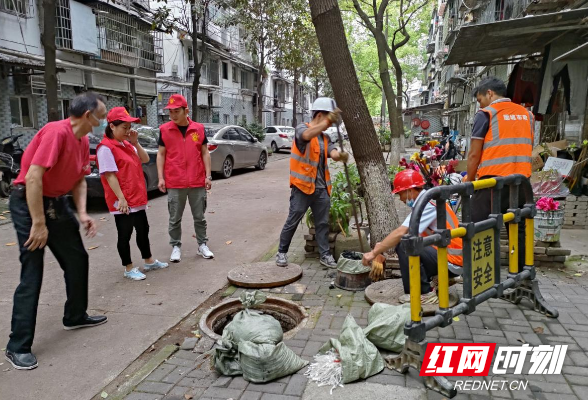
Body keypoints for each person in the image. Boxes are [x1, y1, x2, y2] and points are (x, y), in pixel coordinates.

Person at [5, 92, 108, 370]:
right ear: (88, 116)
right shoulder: (55, 132)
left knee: (77, 260)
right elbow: (33, 177)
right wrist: (38, 224)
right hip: (29, 202)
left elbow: (78, 180)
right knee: (33, 271)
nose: (102, 121)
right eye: (101, 116)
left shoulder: (83, 139)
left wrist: (83, 212)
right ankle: (17, 346)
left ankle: (75, 316)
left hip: (57, 203)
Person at [362, 169, 463, 304]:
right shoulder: (427, 201)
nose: (401, 199)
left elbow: (401, 233)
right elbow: (407, 232)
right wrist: (382, 251)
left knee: (405, 245)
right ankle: (439, 278)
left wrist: (374, 252)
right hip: (448, 256)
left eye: (400, 194)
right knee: (407, 242)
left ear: (409, 190)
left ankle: (424, 293)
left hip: (452, 260)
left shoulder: (428, 204)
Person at [466, 77, 533, 271]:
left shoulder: (486, 114)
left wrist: (469, 182)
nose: (480, 104)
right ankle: (521, 275)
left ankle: (481, 275)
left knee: (478, 227)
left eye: (479, 99)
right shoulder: (526, 115)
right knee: (518, 229)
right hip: (522, 182)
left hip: (492, 182)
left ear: (489, 93)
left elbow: (473, 154)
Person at [96, 107, 169, 280]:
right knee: (125, 233)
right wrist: (121, 198)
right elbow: (110, 175)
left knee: (143, 230)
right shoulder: (106, 148)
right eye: (124, 128)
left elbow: (144, 159)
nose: (128, 131)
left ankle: (149, 260)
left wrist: (135, 142)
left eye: (129, 128)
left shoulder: (127, 144)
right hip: (122, 200)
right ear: (112, 126)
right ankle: (128, 268)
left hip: (136, 197)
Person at [276, 97, 349, 268]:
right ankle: (281, 252)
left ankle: (325, 255)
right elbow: (307, 136)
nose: (329, 125)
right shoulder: (302, 129)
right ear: (320, 115)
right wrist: (329, 121)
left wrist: (341, 155)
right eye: (328, 120)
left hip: (321, 189)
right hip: (302, 188)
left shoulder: (325, 138)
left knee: (322, 223)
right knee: (293, 220)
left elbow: (333, 153)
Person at [157, 94, 213, 262]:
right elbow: (161, 155)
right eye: (170, 112)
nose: (173, 115)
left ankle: (202, 244)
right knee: (174, 218)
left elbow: (205, 153)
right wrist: (161, 178)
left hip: (196, 181)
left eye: (176, 111)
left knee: (200, 217)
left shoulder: (198, 129)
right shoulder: (165, 130)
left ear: (186, 111)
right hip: (175, 182)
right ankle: (175, 246)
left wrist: (208, 176)